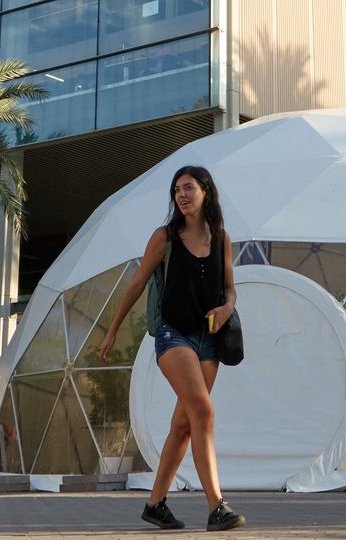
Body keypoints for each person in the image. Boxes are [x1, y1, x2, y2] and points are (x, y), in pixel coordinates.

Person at [99, 165, 246, 532]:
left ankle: (156, 504)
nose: (181, 195)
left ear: (206, 191)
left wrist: (227, 308)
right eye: (177, 190)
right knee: (203, 410)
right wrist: (112, 330)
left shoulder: (222, 239)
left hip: (208, 339)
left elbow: (230, 289)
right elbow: (135, 285)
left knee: (184, 425)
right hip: (172, 334)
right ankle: (216, 506)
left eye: (189, 188)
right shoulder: (164, 238)